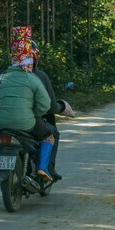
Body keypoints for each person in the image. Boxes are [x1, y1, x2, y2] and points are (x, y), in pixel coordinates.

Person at [0, 28, 56, 182]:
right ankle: (42, 168)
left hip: (2, 123)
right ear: (31, 61)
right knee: (49, 136)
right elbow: (45, 105)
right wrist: (33, 113)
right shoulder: (34, 79)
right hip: (27, 123)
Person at [31, 42, 74, 181]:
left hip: (2, 121)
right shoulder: (39, 77)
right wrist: (61, 107)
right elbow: (48, 105)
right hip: (30, 120)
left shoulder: (3, 76)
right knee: (52, 134)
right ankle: (48, 166)